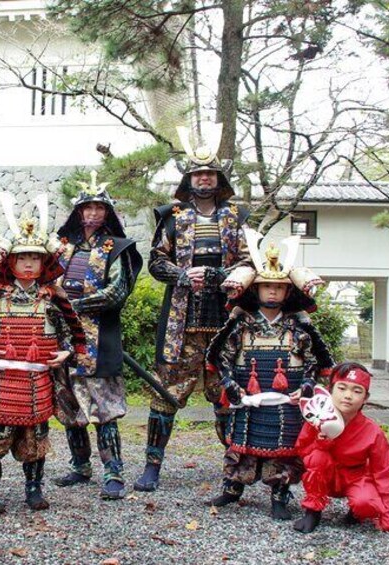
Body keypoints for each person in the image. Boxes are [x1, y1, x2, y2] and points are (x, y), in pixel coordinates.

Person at [134, 124, 252, 492]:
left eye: (209, 174)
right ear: (190, 179)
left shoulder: (237, 217)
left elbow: (251, 261)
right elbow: (155, 263)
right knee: (165, 393)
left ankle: (236, 466)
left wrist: (220, 274)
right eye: (198, 174)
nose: (204, 179)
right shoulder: (172, 217)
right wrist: (184, 276)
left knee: (227, 395)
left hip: (227, 321)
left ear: (219, 179)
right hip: (181, 322)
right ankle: (152, 466)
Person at [0, 193, 86, 513]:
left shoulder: (53, 297)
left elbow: (72, 333)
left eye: (35, 258)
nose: (29, 263)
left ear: (44, 263)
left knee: (35, 444)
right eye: (22, 257)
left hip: (36, 382)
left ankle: (33, 491)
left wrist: (66, 352)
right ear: (10, 261)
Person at [205, 229, 331, 519]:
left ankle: (279, 493)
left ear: (288, 292)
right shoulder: (240, 325)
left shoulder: (299, 327)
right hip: (247, 397)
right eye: (265, 287)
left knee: (284, 447)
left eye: (279, 287)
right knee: (241, 441)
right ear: (255, 290)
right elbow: (220, 358)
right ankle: (232, 487)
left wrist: (308, 386)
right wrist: (231, 386)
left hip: (287, 400)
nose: (272, 291)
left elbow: (314, 361)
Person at [53, 171, 143, 500]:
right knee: (69, 406)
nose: (92, 214)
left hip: (99, 339)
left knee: (103, 409)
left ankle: (114, 471)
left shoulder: (117, 248)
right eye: (86, 208)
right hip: (61, 340)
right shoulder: (62, 248)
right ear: (78, 212)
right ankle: (80, 466)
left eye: (98, 209)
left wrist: (72, 303)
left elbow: (116, 292)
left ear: (107, 213)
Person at [293, 362, 389, 533]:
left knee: (367, 504)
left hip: (355, 477)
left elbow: (383, 470)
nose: (348, 396)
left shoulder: (373, 431)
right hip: (324, 474)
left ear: (365, 398)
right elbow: (301, 449)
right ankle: (313, 511)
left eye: (357, 391)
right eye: (342, 388)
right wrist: (321, 443)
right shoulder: (317, 420)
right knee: (318, 456)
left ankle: (356, 512)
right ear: (330, 390)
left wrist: (385, 510)